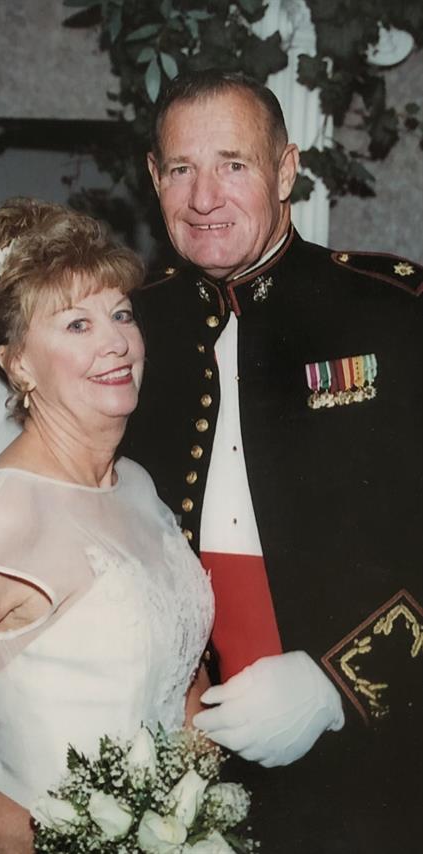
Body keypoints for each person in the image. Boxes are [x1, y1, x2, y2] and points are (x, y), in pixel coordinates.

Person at [122, 69, 423, 853]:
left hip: (376, 769)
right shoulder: (126, 330)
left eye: (233, 164)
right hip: (175, 772)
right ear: (154, 179)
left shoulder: (393, 313)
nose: (203, 198)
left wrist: (337, 683)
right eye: (180, 169)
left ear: (286, 169)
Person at [0, 198, 213, 853]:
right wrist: (42, 843)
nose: (114, 340)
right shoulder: (2, 513)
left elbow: (179, 663)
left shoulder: (138, 486)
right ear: (19, 365)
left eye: (119, 314)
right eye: (76, 324)